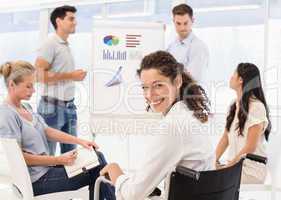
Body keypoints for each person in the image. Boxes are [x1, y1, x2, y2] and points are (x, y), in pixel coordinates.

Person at [100, 51, 215, 200]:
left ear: (178, 81)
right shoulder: (189, 114)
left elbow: (132, 195)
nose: (149, 95)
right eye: (144, 87)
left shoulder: (173, 127)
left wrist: (116, 172)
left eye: (158, 85)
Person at [0, 61, 115, 199]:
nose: (33, 90)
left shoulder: (26, 108)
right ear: (12, 85)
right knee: (96, 169)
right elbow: (19, 158)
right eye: (28, 86)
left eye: (33, 86)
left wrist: (81, 141)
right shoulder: (7, 114)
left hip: (47, 171)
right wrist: (58, 159)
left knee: (97, 156)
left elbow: (47, 131)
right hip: (38, 180)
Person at [35, 5, 87, 155]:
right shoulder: (50, 43)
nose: (75, 22)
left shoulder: (64, 45)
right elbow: (38, 75)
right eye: (71, 19)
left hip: (69, 107)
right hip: (51, 108)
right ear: (59, 21)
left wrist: (73, 76)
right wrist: (71, 76)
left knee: (71, 155)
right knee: (48, 155)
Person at [215, 63, 271, 184]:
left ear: (241, 80)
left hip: (251, 170)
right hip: (235, 167)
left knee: (214, 182)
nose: (230, 77)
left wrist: (229, 166)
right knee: (206, 174)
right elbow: (225, 138)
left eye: (233, 74)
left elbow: (250, 147)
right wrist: (213, 160)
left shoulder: (256, 107)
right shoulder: (233, 105)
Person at [167, 3, 209, 85]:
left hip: (191, 94)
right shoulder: (171, 46)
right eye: (178, 23)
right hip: (175, 93)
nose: (182, 28)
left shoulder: (198, 47)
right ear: (173, 22)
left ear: (192, 21)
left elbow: (192, 78)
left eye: (185, 23)